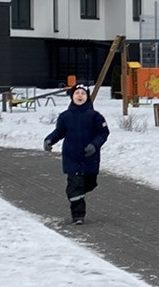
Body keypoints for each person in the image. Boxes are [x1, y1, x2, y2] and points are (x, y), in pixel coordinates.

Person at [44, 82, 110, 225]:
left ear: (87, 97)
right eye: (77, 93)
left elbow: (103, 133)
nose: (80, 96)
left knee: (90, 183)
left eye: (83, 94)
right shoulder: (65, 116)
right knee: (75, 186)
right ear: (72, 96)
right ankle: (78, 215)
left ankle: (77, 192)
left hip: (89, 157)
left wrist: (94, 145)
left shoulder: (95, 116)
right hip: (71, 157)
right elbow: (59, 132)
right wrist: (49, 140)